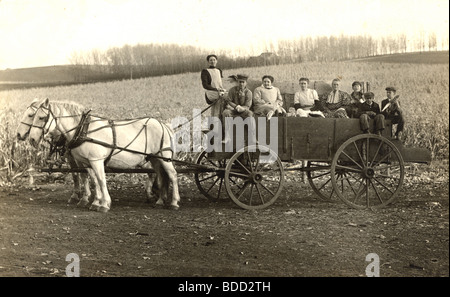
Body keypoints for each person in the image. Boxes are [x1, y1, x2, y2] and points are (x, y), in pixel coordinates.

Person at [222, 74, 254, 143]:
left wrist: (242, 108)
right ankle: (227, 136)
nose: (241, 84)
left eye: (243, 82)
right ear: (237, 82)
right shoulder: (232, 90)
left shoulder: (249, 92)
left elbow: (248, 106)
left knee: (250, 114)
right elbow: (229, 100)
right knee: (226, 112)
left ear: (246, 83)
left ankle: (252, 136)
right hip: (233, 110)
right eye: (240, 82)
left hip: (243, 110)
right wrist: (236, 107)